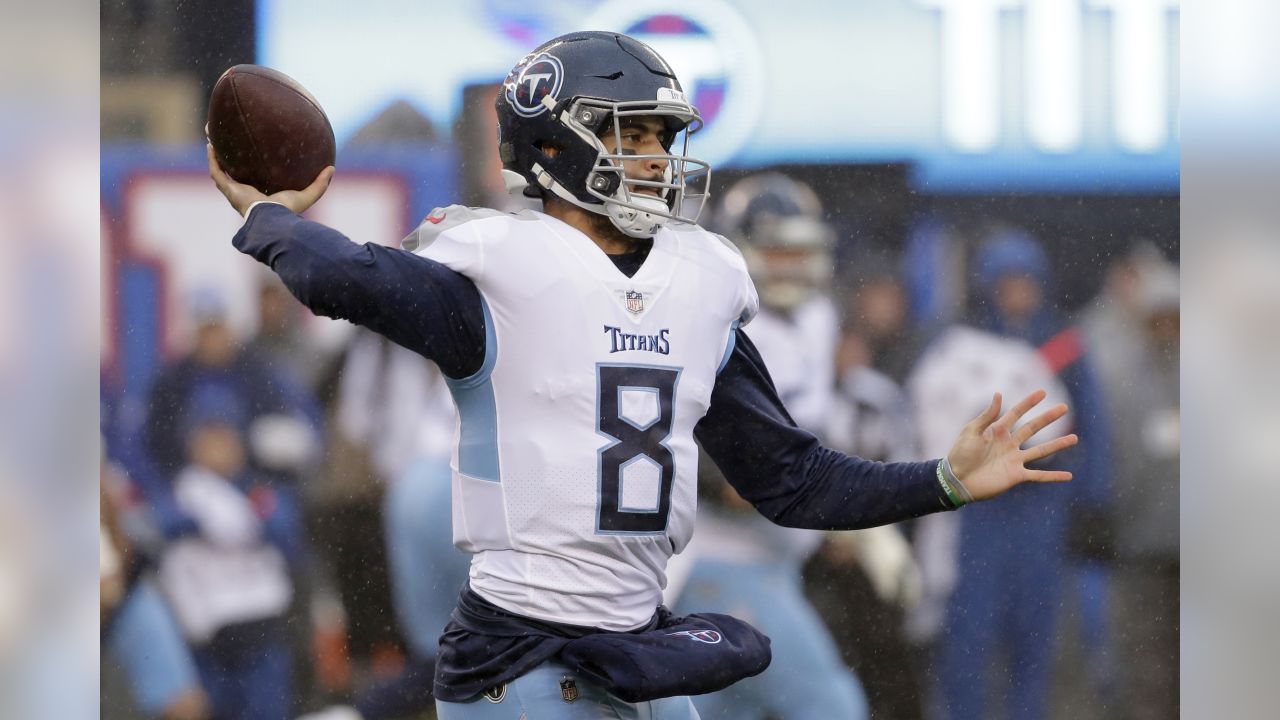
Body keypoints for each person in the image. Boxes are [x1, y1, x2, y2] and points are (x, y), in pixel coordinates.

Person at [209, 30, 1077, 719]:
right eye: (634, 134)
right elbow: (342, 276)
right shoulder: (499, 273)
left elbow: (792, 481)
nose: (659, 157)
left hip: (634, 641)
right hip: (520, 654)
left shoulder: (699, 282)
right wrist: (272, 218)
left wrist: (945, 480)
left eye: (664, 135)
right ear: (555, 146)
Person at [665, 173, 868, 719]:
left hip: (775, 562)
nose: (789, 266)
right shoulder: (710, 321)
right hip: (720, 559)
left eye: (798, 250)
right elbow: (732, 477)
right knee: (831, 707)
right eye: (775, 250)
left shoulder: (819, 320)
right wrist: (843, 512)